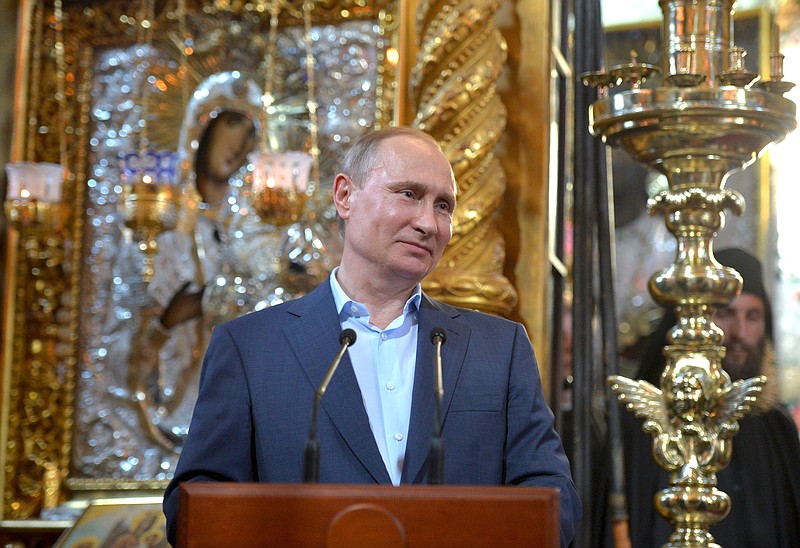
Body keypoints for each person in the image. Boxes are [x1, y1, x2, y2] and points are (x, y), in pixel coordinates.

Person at [162, 126, 581, 545]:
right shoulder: (250, 348)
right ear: (345, 196)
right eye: (409, 194)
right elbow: (195, 504)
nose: (428, 223)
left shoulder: (498, 348)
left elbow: (553, 499)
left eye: (443, 206)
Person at [605, 248, 800, 547]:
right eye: (725, 314)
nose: (740, 333)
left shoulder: (777, 429)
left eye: (753, 316)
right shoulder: (644, 425)